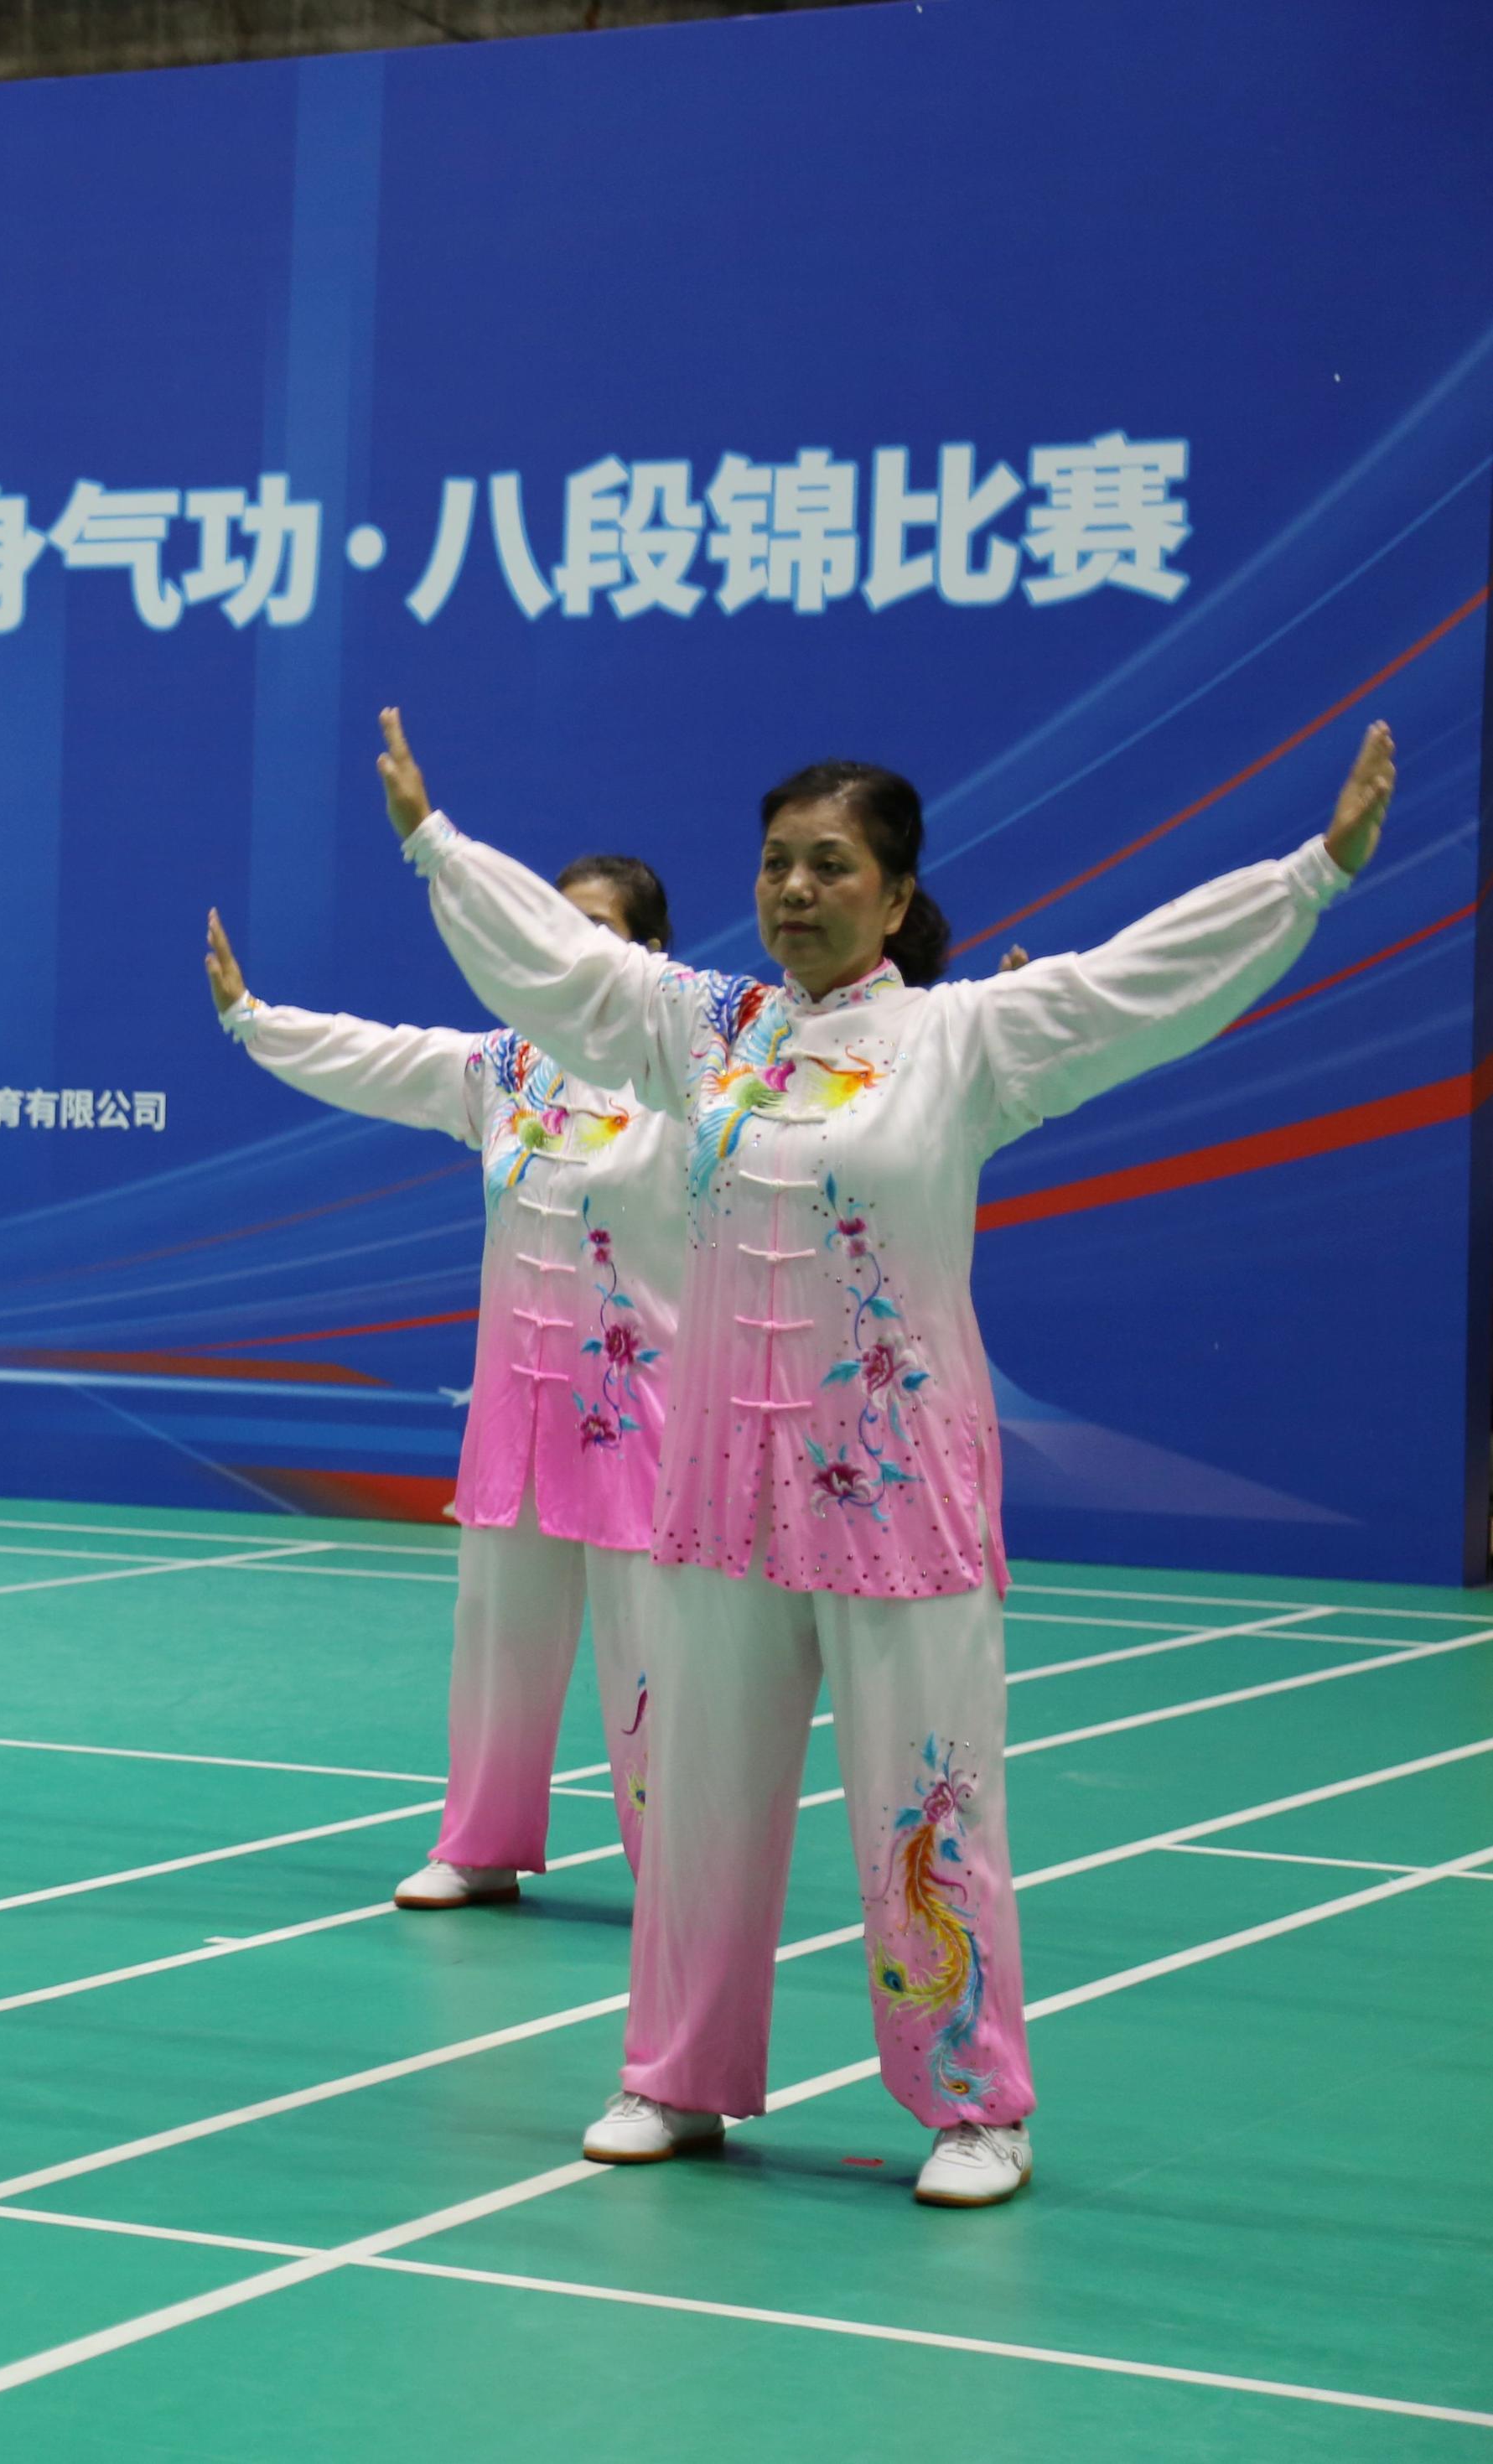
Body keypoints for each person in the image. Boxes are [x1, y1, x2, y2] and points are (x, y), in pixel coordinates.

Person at [386, 705, 1392, 2207]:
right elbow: (562, 968)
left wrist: (1307, 875)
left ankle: (973, 2103)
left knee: (929, 1803)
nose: (794, 888)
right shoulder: (701, 1029)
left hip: (897, 1490)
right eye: (775, 862)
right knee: (697, 1800)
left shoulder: (961, 1037)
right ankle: (674, 2075)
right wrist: (436, 847)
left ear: (896, 892)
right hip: (719, 1497)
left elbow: (1138, 985)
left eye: (829, 863)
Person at [203, 853, 682, 1911]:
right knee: (496, 1636)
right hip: (516, 1411)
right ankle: (479, 1843)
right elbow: (377, 1057)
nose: (563, 946)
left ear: (648, 955)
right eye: (549, 922)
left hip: (635, 1416)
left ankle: (680, 1869)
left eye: (593, 928)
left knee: (653, 1654)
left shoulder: (683, 1078)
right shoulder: (502, 1069)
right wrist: (252, 1020)